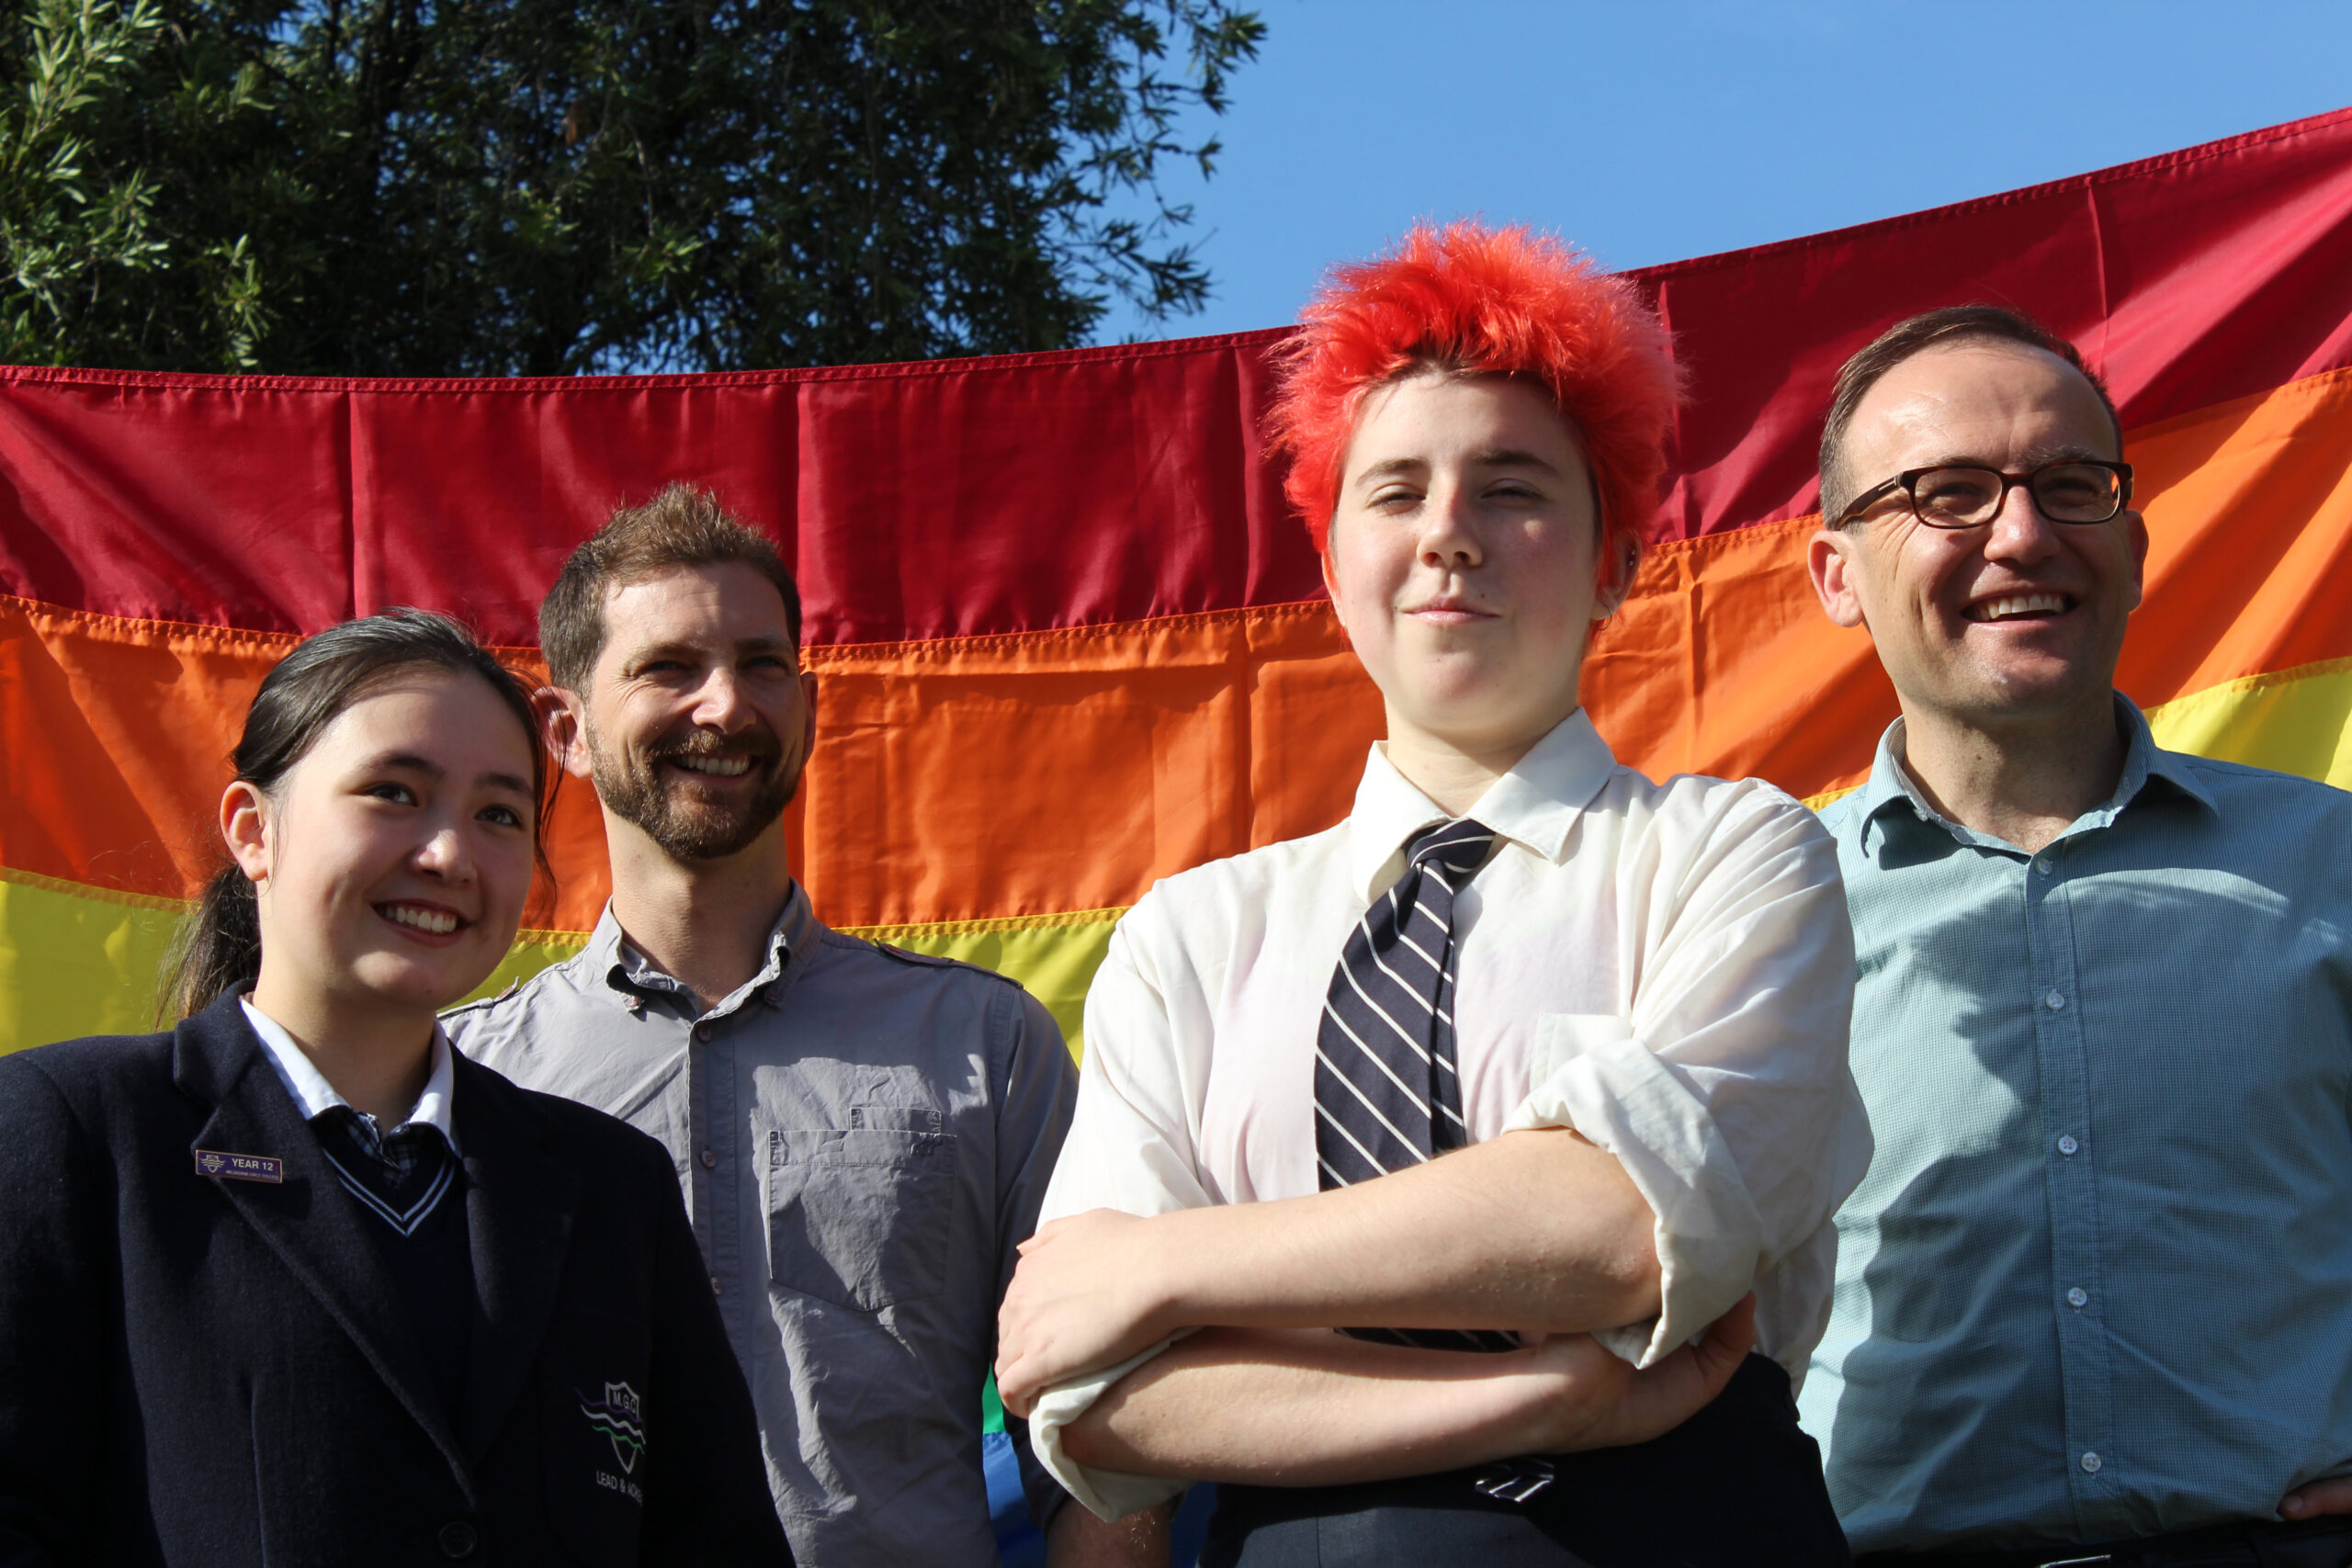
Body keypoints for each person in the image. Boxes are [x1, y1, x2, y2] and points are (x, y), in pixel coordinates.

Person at [993, 221, 1869, 1566]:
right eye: (1394, 491)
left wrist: (1170, 1266)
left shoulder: (1733, 852)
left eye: (1513, 485)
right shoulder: (1192, 934)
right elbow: (1100, 1398)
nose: (1450, 531)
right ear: (1334, 567)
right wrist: (1555, 1393)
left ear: (1614, 562)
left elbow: (1621, 1226)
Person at [0, 609, 789, 1566]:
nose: (449, 855)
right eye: (393, 793)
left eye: (498, 815)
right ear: (254, 830)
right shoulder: (73, 1133)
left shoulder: (610, 1187)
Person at [444, 488, 1124, 1566]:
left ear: (807, 709)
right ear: (563, 733)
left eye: (761, 666)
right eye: (669, 668)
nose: (724, 706)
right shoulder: (464, 1076)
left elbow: (1094, 1427)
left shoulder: (984, 1048)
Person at [1801, 305, 2352, 1564]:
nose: (2022, 532)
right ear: (1837, 576)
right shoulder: (1752, 918)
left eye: (2070, 483)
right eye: (1947, 493)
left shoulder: (2335, 862)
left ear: (2136, 539)